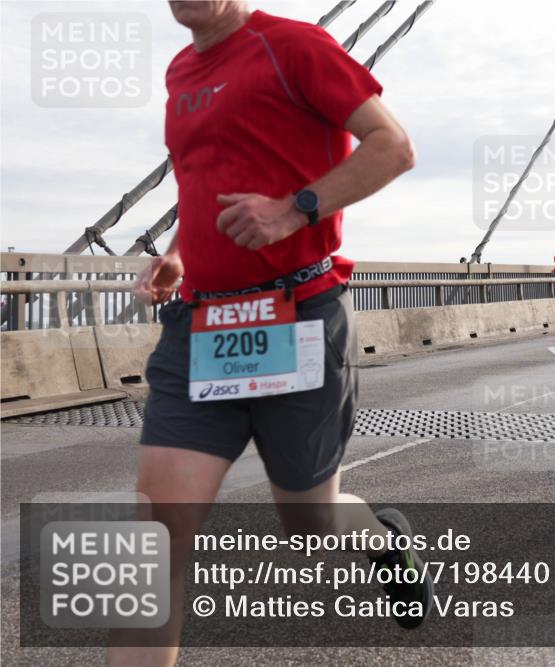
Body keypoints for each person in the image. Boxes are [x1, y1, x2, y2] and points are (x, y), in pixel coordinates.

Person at [118, 4, 426, 663]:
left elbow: (394, 147)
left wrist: (294, 210)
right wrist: (180, 251)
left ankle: (380, 537)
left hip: (296, 314)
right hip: (200, 326)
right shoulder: (180, 70)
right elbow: (207, 181)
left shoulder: (294, 46)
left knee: (310, 520)